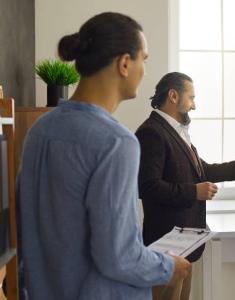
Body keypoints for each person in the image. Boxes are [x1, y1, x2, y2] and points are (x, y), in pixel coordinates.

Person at [16, 12, 190, 300]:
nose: (145, 70)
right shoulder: (117, 143)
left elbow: (24, 233)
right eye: (143, 60)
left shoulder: (39, 130)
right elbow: (119, 256)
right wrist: (168, 267)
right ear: (124, 63)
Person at [135, 71, 235, 300]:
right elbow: (147, 187)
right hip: (166, 244)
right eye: (191, 98)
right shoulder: (152, 132)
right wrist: (194, 191)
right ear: (173, 95)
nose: (194, 105)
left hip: (185, 243)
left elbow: (202, 170)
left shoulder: (176, 132)